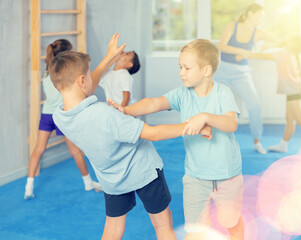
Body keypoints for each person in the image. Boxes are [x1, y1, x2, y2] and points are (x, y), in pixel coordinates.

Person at [49, 43, 212, 239]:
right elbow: (153, 133)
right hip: (142, 170)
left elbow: (84, 87)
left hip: (111, 178)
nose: (94, 77)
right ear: (82, 81)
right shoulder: (105, 115)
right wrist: (191, 126)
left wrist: (109, 57)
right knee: (163, 223)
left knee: (113, 226)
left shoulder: (59, 116)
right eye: (90, 75)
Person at [108, 39, 244, 240]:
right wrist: (126, 110)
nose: (181, 72)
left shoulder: (223, 93)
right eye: (180, 67)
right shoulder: (182, 94)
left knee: (231, 222)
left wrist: (205, 117)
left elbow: (231, 123)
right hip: (195, 177)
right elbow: (154, 103)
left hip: (228, 177)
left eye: (187, 68)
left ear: (206, 70)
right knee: (195, 230)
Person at [24, 39, 102, 200]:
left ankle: (28, 187)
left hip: (47, 114)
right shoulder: (65, 76)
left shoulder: (47, 74)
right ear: (66, 56)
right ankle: (88, 182)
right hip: (62, 115)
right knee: (75, 151)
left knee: (38, 149)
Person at [238, 33, 301, 158]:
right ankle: (283, 144)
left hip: (294, 92)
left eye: (290, 40)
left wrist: (247, 54)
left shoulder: (283, 54)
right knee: (289, 119)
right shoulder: (295, 55)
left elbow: (263, 56)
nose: (287, 40)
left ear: (292, 44)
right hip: (295, 91)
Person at [214, 3, 282, 154]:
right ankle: (213, 141)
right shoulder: (232, 26)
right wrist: (243, 51)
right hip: (223, 70)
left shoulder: (258, 33)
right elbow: (222, 46)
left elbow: (281, 42)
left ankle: (257, 141)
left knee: (255, 106)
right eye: (260, 16)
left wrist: (266, 48)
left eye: (263, 17)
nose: (261, 19)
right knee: (217, 107)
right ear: (250, 13)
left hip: (242, 73)